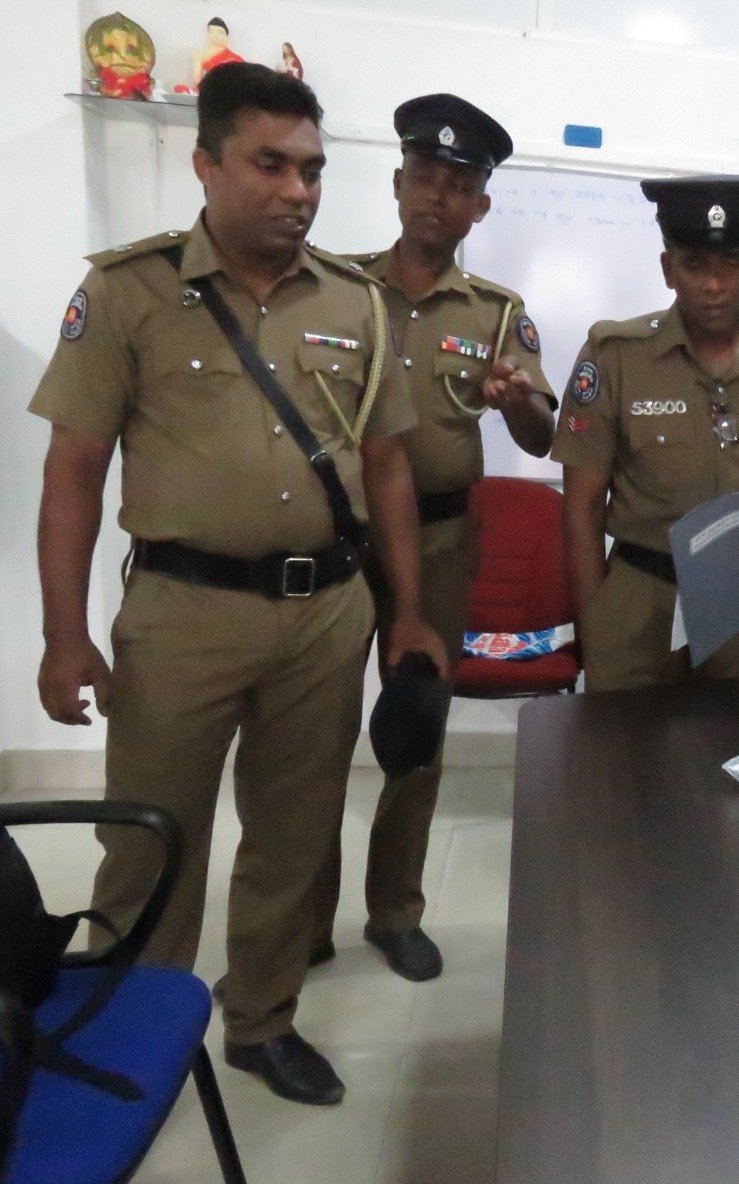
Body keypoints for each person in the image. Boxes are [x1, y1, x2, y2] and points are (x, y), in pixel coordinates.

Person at [30, 63, 444, 1106]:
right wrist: (65, 635)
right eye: (271, 164)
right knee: (149, 838)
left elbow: (388, 467)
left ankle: (262, 1022)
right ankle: (126, 1036)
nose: (298, 191)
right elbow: (73, 471)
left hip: (326, 616)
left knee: (293, 837)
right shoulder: (128, 293)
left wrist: (407, 615)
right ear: (207, 164)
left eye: (312, 169)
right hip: (183, 617)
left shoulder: (356, 302)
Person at [310, 93, 558, 983]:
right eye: (424, 176)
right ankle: (300, 921)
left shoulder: (496, 312)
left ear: (480, 206)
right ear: (397, 182)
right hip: (341, 542)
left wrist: (516, 400)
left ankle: (395, 911)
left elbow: (542, 435)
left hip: (444, 540)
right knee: (313, 735)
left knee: (418, 728)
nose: (437, 196)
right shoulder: (334, 288)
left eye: (458, 185)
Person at [552, 175, 739, 691]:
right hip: (639, 604)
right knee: (623, 742)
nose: (713, 284)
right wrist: (596, 620)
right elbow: (582, 507)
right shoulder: (614, 357)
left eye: (731, 264)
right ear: (668, 269)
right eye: (695, 265)